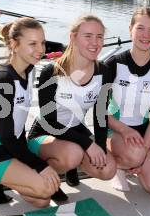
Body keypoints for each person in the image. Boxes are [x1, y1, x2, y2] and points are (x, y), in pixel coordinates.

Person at [0, 17, 60, 208]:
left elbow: (17, 128)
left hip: (16, 146)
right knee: (46, 190)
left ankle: (13, 178)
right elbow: (6, 137)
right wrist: (41, 167)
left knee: (43, 200)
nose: (41, 50)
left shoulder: (30, 70)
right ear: (14, 44)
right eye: (32, 44)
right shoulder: (2, 82)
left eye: (43, 42)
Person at [27, 15, 117, 196]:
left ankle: (72, 166)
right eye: (88, 36)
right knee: (73, 154)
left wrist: (99, 145)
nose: (95, 42)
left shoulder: (104, 72)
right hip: (45, 131)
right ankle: (41, 173)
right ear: (73, 37)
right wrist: (87, 144)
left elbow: (99, 115)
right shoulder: (51, 72)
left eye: (99, 36)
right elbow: (49, 121)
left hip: (75, 130)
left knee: (108, 170)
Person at [105, 7, 150, 200]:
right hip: (115, 129)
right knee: (134, 153)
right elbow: (99, 111)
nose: (146, 34)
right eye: (141, 28)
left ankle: (135, 164)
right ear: (130, 29)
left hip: (143, 135)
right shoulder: (113, 64)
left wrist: (145, 148)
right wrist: (125, 131)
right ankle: (118, 165)